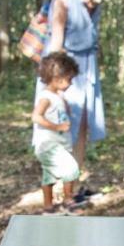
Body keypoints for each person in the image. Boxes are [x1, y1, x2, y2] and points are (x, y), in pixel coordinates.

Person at [39, 0, 116, 204]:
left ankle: (73, 188)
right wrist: (56, 87)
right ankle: (60, 193)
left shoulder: (96, 4)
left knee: (82, 128)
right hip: (65, 69)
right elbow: (56, 47)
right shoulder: (63, 1)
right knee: (63, 130)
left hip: (87, 69)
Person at [32, 53, 82, 214]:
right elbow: (36, 116)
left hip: (58, 144)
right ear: (57, 78)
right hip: (48, 145)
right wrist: (57, 127)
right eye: (69, 79)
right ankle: (68, 200)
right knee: (71, 168)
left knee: (49, 175)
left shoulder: (57, 96)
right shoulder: (46, 97)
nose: (71, 83)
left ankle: (48, 206)